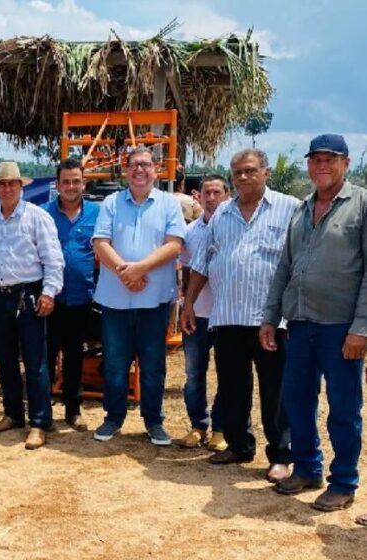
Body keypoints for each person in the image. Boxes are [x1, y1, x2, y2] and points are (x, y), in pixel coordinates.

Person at [262, 134, 366, 512]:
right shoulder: (302, 209)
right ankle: (307, 468)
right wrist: (271, 316)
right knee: (297, 401)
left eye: (330, 159)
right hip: (300, 323)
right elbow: (285, 267)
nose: (322, 165)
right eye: (315, 159)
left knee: (343, 407)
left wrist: (361, 328)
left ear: (346, 162)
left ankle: (344, 482)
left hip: (341, 327)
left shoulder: (361, 204)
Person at [182, 148, 297, 483]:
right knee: (232, 387)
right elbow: (201, 263)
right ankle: (238, 445)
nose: (243, 177)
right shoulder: (221, 215)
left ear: (265, 173)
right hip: (227, 316)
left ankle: (280, 455)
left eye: (250, 171)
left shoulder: (289, 208)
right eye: (237, 172)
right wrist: (189, 303)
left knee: (275, 391)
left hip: (270, 320)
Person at [91, 147, 185, 446]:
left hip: (154, 300)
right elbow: (100, 243)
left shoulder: (169, 204)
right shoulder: (111, 202)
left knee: (153, 364)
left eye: (145, 164)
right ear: (125, 169)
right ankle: (113, 418)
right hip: (115, 300)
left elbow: (175, 245)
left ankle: (154, 421)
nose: (139, 170)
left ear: (156, 169)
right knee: (116, 363)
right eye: (134, 165)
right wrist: (125, 272)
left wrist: (140, 268)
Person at [0, 161, 63, 450]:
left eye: (12, 183)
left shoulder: (37, 217)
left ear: (21, 186)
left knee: (36, 361)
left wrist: (49, 293)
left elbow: (53, 259)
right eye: (1, 184)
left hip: (29, 294)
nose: (7, 188)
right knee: (4, 358)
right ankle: (13, 414)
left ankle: (39, 422)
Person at [41, 158, 99, 430]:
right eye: (66, 181)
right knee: (45, 356)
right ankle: (42, 414)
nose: (71, 186)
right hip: (49, 299)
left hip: (82, 297)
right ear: (57, 184)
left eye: (76, 181)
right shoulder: (43, 213)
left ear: (84, 183)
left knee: (75, 355)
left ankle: (73, 411)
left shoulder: (97, 214)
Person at [175, 175, 231, 450]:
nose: (211, 198)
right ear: (198, 196)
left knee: (226, 373)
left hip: (225, 315)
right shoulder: (191, 232)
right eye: (206, 193)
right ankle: (198, 424)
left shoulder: (235, 229)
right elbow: (186, 271)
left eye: (216, 193)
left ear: (226, 194)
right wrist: (186, 306)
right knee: (194, 373)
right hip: (196, 314)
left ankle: (221, 428)